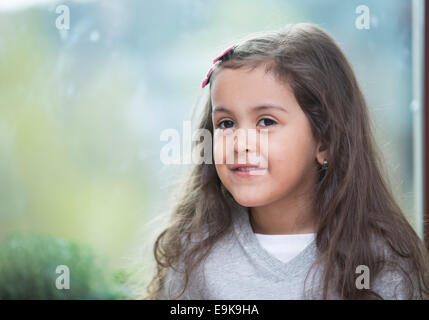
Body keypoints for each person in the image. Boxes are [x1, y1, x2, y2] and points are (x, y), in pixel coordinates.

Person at [142, 23, 429, 300]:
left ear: (325, 142)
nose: (240, 143)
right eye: (226, 123)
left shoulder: (382, 263)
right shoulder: (194, 256)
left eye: (266, 122)